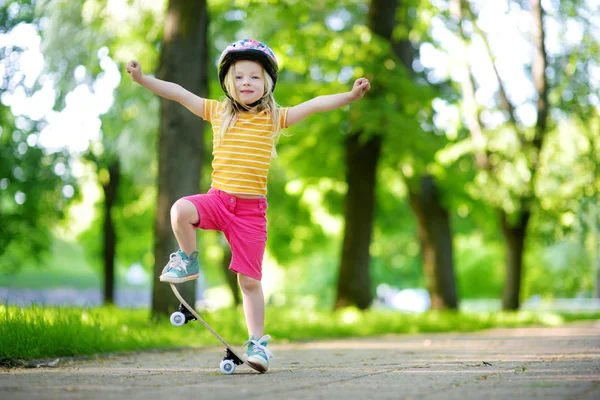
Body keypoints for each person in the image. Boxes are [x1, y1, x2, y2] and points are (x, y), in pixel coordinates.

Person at [126, 38, 370, 372]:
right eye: (239, 77)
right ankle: (188, 259)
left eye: (254, 77)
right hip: (217, 201)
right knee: (180, 209)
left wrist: (350, 96)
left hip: (251, 214)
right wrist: (143, 80)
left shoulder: (275, 118)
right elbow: (179, 93)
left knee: (249, 282)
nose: (246, 83)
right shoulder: (217, 112)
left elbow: (314, 104)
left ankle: (257, 345)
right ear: (229, 82)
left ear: (267, 83)